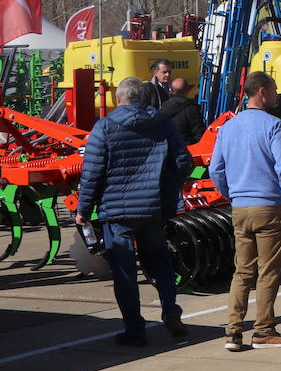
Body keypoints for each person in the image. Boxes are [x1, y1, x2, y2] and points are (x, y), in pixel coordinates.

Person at [74, 75, 192, 347]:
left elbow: (92, 173)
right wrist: (167, 186)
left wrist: (84, 209)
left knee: (125, 272)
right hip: (152, 209)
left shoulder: (104, 127)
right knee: (160, 264)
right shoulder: (163, 123)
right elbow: (183, 160)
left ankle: (135, 329)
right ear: (143, 98)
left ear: (118, 99)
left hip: (117, 212)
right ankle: (171, 312)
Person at [210, 71, 281, 350]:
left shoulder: (228, 127)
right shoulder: (274, 125)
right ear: (261, 91)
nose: (276, 95)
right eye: (273, 89)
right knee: (268, 271)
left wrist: (231, 193)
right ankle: (263, 330)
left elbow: (215, 168)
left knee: (242, 272)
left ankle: (233, 331)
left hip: (240, 206)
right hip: (269, 205)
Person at [159, 76, 206, 145]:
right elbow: (199, 133)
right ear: (187, 90)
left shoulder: (162, 107)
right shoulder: (191, 108)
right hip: (187, 148)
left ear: (171, 91)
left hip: (168, 148)